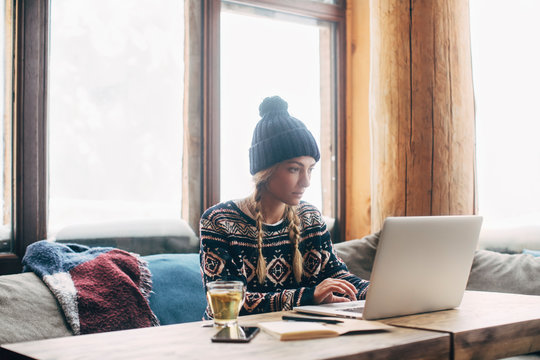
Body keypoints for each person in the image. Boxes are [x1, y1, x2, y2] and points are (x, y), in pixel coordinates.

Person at [199, 96, 369, 318]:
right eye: (294, 169)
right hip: (234, 340)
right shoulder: (219, 222)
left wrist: (378, 291)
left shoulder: (310, 218)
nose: (306, 182)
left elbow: (337, 276)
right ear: (265, 171)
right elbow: (227, 303)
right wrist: (309, 296)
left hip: (298, 335)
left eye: (310, 169)